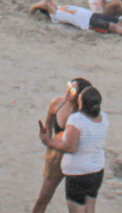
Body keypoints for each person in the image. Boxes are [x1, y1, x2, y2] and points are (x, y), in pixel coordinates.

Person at [40, 87, 108, 213]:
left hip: (78, 173)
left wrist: (48, 142)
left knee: (77, 209)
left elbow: (70, 147)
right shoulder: (103, 117)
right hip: (96, 171)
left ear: (81, 102)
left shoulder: (76, 120)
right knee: (90, 208)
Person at [32, 78, 93, 213]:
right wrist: (45, 135)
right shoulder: (57, 103)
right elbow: (48, 124)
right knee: (43, 197)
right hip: (56, 156)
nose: (68, 91)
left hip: (76, 159)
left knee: (77, 204)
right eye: (68, 86)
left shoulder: (84, 114)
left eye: (72, 90)